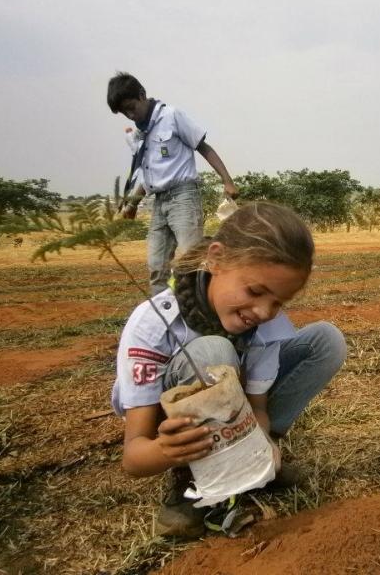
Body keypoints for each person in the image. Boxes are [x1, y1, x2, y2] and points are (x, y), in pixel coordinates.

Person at [111, 202, 347, 538]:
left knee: (326, 340)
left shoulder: (267, 324)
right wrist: (166, 450)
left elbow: (258, 408)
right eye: (255, 291)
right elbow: (134, 458)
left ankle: (252, 462)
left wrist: (261, 446)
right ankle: (192, 478)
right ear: (217, 259)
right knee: (214, 351)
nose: (263, 311)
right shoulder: (154, 325)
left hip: (238, 417)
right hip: (177, 431)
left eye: (278, 302)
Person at [107, 72, 239, 294]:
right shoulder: (142, 132)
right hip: (159, 202)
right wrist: (133, 204)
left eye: (131, 107)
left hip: (183, 198)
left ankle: (201, 307)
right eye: (124, 113)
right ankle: (162, 311)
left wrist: (227, 181)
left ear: (142, 95)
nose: (130, 115)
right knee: (156, 266)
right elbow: (150, 176)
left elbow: (203, 147)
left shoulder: (171, 116)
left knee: (191, 261)